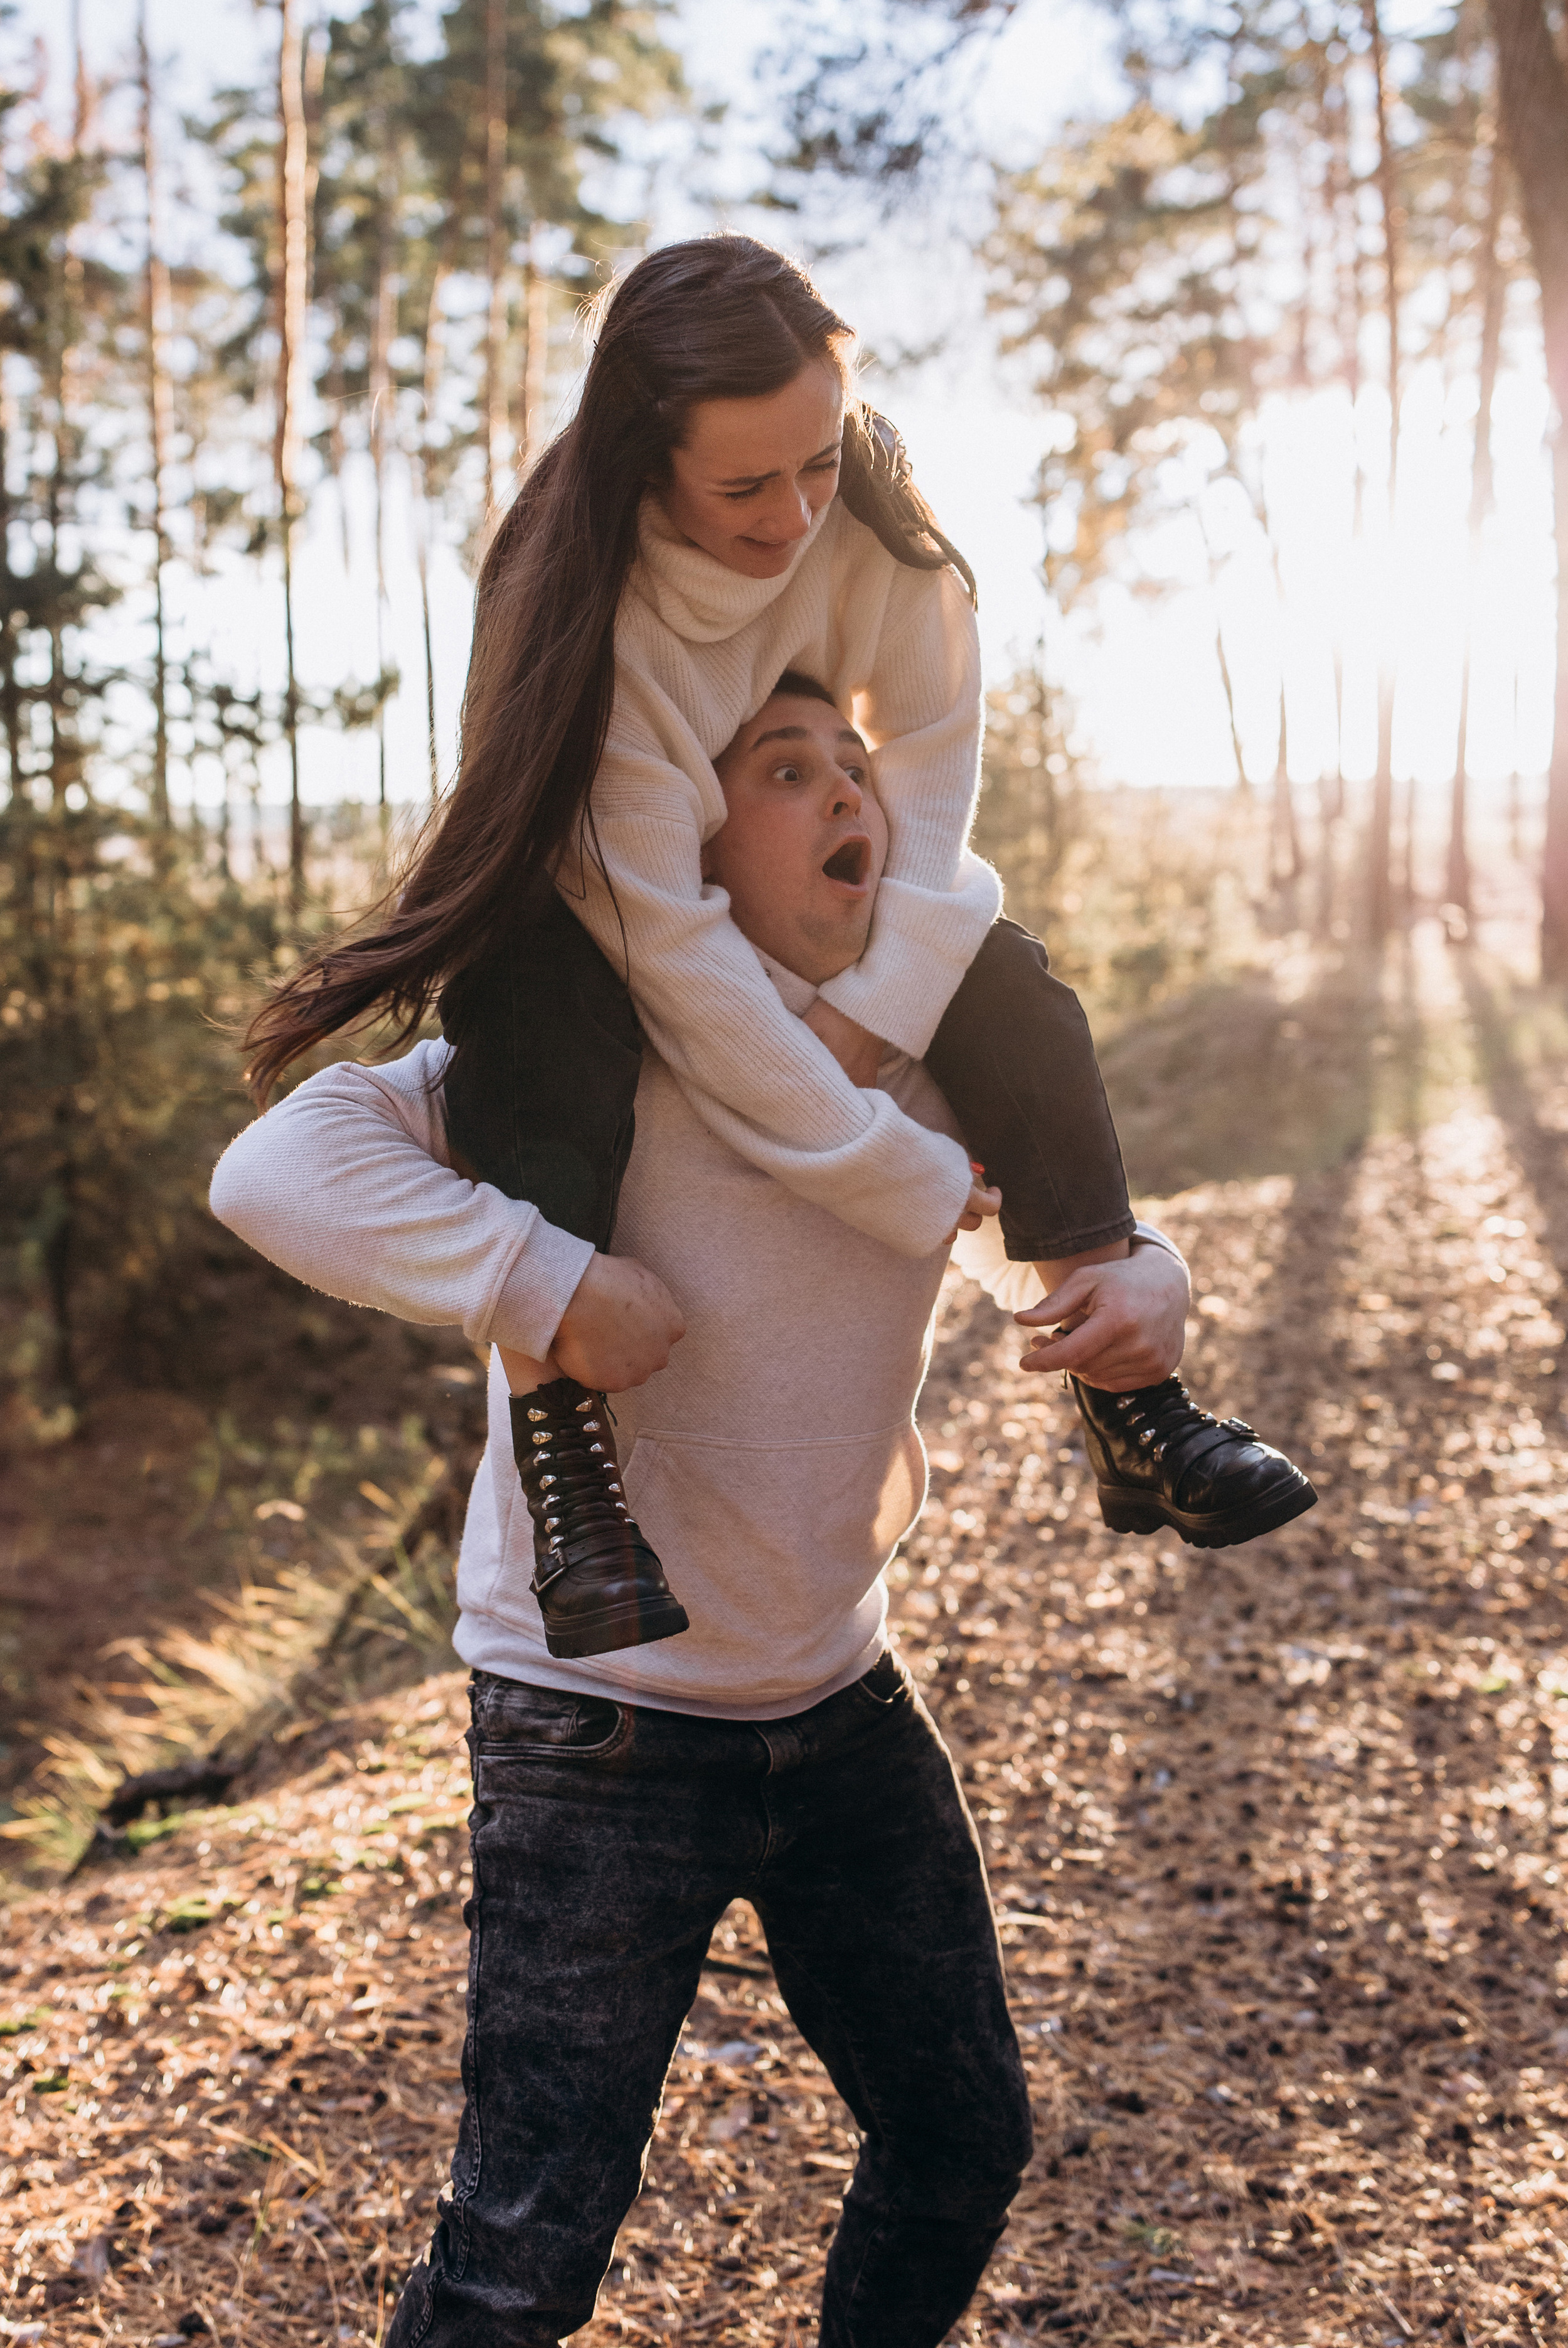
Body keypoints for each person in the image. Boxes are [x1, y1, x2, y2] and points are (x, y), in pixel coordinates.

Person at [210, 676, 1197, 2348]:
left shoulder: (923, 1067)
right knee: (525, 2254)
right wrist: (545, 1278)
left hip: (840, 1706)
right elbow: (276, 1170)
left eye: (860, 773)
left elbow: (1050, 1259)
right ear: (690, 837)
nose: (846, 801)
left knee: (966, 2139)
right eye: (786, 769)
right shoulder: (577, 1073)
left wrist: (1150, 1278)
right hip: (598, 1729)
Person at [239, 232, 1315, 1661]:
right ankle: (573, 1472)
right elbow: (675, 963)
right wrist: (894, 1165)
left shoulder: (871, 523)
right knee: (541, 984)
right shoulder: (583, 619)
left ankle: (1134, 1412)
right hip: (607, 941)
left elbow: (928, 774)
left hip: (834, 1659)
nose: (796, 513)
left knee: (1000, 967)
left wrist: (885, 1014)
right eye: (744, 484)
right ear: (643, 462)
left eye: (818, 457)